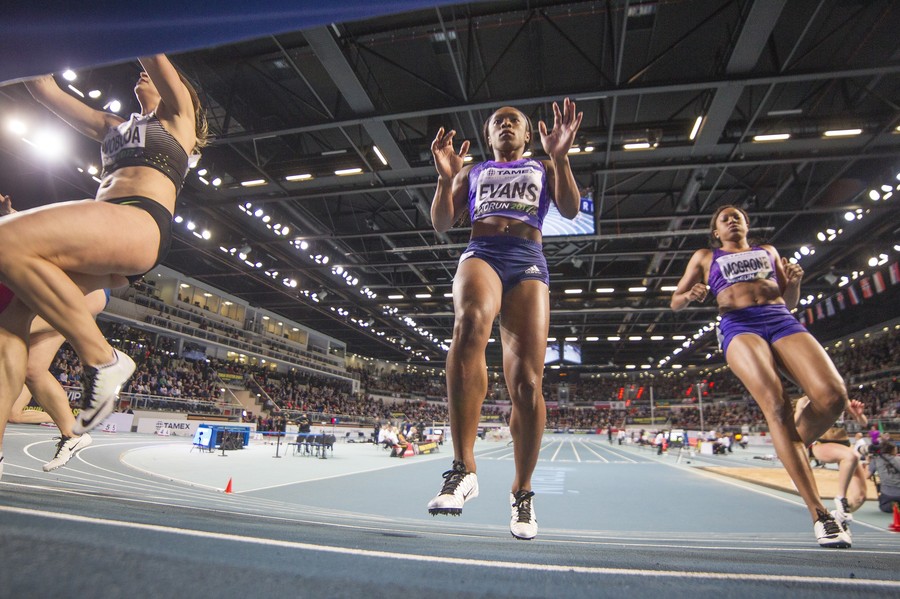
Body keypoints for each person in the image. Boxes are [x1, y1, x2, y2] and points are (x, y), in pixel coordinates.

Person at [0, 54, 206, 437]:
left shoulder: (180, 118)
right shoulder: (114, 126)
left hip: (140, 220)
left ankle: (102, 357)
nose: (143, 74)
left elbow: (153, 52)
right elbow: (44, 89)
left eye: (155, 75)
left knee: (3, 238)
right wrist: (26, 46)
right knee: (9, 327)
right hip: (104, 231)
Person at [426, 98, 582, 540]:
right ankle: (463, 468)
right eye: (499, 121)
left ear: (529, 135)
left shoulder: (544, 167)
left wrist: (561, 158)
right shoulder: (472, 171)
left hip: (528, 258)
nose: (507, 125)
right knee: (469, 323)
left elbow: (571, 209)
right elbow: (442, 223)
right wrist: (445, 179)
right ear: (489, 135)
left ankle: (523, 491)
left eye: (515, 121)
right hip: (483, 252)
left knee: (528, 384)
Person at [671, 204, 852, 548]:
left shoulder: (767, 251)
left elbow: (790, 301)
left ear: (746, 225)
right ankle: (821, 515)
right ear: (716, 232)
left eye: (737, 216)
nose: (732, 220)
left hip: (780, 318)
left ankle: (792, 445)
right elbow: (674, 301)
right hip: (739, 324)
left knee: (834, 397)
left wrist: (794, 282)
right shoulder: (705, 257)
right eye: (724, 218)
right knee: (775, 404)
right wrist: (690, 295)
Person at [798, 397, 870, 527]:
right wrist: (801, 411)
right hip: (821, 443)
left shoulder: (841, 398)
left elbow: (863, 423)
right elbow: (794, 425)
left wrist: (859, 415)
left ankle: (837, 516)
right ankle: (841, 498)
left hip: (844, 444)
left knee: (860, 497)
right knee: (851, 456)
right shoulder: (807, 399)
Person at [868, 440, 900, 513]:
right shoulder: (898, 459)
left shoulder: (875, 460)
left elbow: (867, 475)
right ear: (893, 449)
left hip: (887, 493)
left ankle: (893, 506)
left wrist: (869, 463)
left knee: (884, 507)